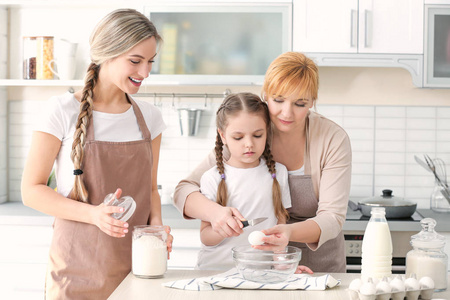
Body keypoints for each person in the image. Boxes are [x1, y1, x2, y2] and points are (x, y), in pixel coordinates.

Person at [21, 9, 172, 299]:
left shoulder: (150, 118)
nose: (145, 72)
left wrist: (157, 232)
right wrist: (94, 215)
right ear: (106, 54)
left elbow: (150, 189)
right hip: (75, 268)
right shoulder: (61, 111)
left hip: (136, 267)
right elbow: (31, 190)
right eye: (135, 61)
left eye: (150, 62)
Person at [174, 52, 352, 273]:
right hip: (262, 268)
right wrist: (215, 214)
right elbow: (183, 191)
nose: (287, 113)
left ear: (312, 101)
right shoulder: (252, 132)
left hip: (317, 266)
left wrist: (288, 234)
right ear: (265, 95)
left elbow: (332, 217)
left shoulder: (332, 138)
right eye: (278, 100)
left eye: (300, 103)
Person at [196, 92, 292, 270]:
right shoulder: (212, 178)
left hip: (260, 273)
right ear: (223, 136)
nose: (249, 144)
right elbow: (205, 237)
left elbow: (280, 229)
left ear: (267, 132)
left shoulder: (279, 173)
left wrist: (284, 268)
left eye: (257, 135)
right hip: (214, 271)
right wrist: (222, 229)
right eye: (238, 137)